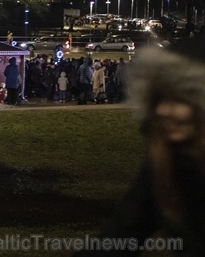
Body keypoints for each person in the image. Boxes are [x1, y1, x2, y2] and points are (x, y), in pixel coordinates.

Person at [75, 35, 205, 256]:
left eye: (179, 99)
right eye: (158, 99)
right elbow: (121, 234)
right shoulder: (172, 162)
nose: (163, 110)